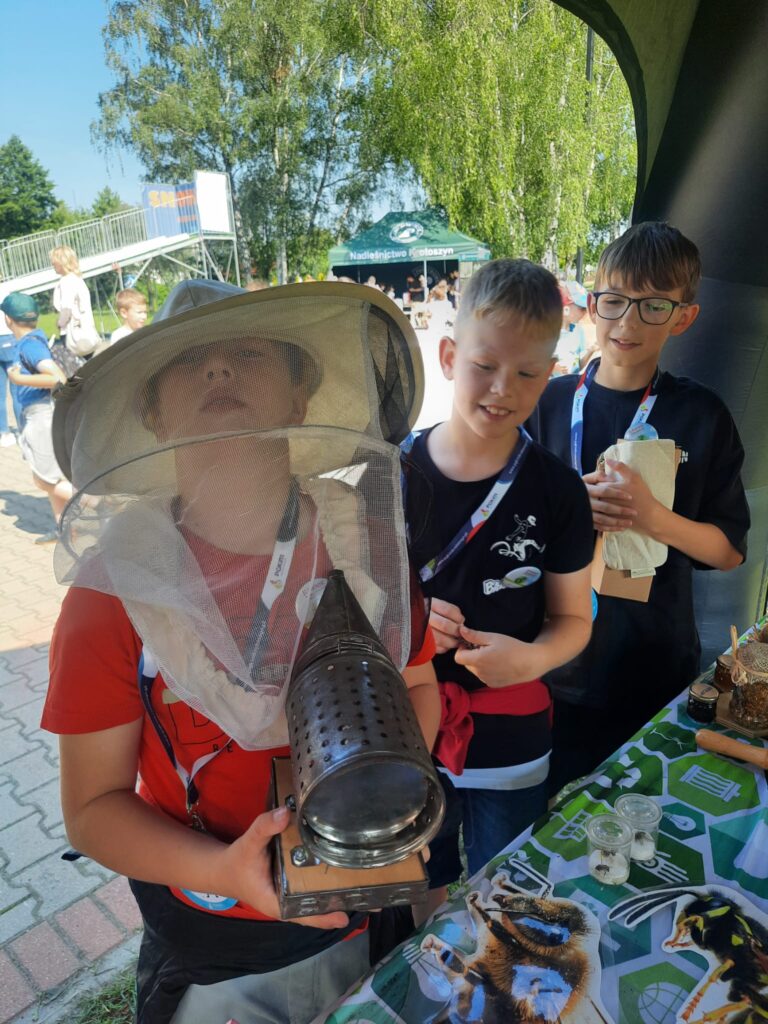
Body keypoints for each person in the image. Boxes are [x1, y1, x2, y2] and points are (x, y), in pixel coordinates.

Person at [42, 279, 440, 1024]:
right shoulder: (113, 592)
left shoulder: (366, 547)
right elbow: (92, 809)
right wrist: (224, 869)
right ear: (153, 413)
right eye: (188, 362)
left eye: (249, 354)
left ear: (300, 394)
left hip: (364, 912)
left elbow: (417, 686)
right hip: (215, 944)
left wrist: (374, 808)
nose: (219, 370)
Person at [527, 222, 750, 793]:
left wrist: (652, 517)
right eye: (615, 300)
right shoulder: (546, 404)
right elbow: (509, 520)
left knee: (643, 813)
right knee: (553, 817)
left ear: (683, 317)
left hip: (653, 664)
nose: (627, 322)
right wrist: (572, 505)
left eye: (653, 306)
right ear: (592, 304)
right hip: (550, 663)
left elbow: (728, 551)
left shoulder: (701, 415)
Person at [403, 258, 594, 915]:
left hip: (513, 734)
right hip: (411, 728)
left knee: (504, 893)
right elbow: (353, 608)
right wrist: (409, 623)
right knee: (421, 886)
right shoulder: (389, 477)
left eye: (527, 373)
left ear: (551, 372)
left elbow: (574, 619)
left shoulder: (559, 491)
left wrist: (533, 659)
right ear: (449, 356)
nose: (502, 389)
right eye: (484, 365)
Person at [2, 292, 73, 541]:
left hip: (40, 418)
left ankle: (99, 505)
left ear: (8, 319)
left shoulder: (30, 345)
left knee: (44, 480)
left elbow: (57, 378)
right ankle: (64, 530)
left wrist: (18, 379)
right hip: (36, 417)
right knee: (48, 477)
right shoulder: (30, 341)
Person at [50, 245, 101, 372]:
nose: (52, 264)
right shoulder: (78, 279)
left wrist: (59, 323)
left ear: (61, 261)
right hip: (86, 330)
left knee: (73, 371)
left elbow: (66, 309)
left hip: (72, 333)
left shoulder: (66, 281)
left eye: (54, 261)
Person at [553, 279, 597, 376]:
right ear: (565, 307)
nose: (585, 313)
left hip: (572, 384)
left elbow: (579, 366)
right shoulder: (546, 333)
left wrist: (591, 350)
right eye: (582, 309)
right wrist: (552, 368)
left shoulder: (578, 331)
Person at [0, 327, 19, 446]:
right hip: (9, 337)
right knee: (17, 392)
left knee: (0, 395)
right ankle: (22, 431)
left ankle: (3, 432)